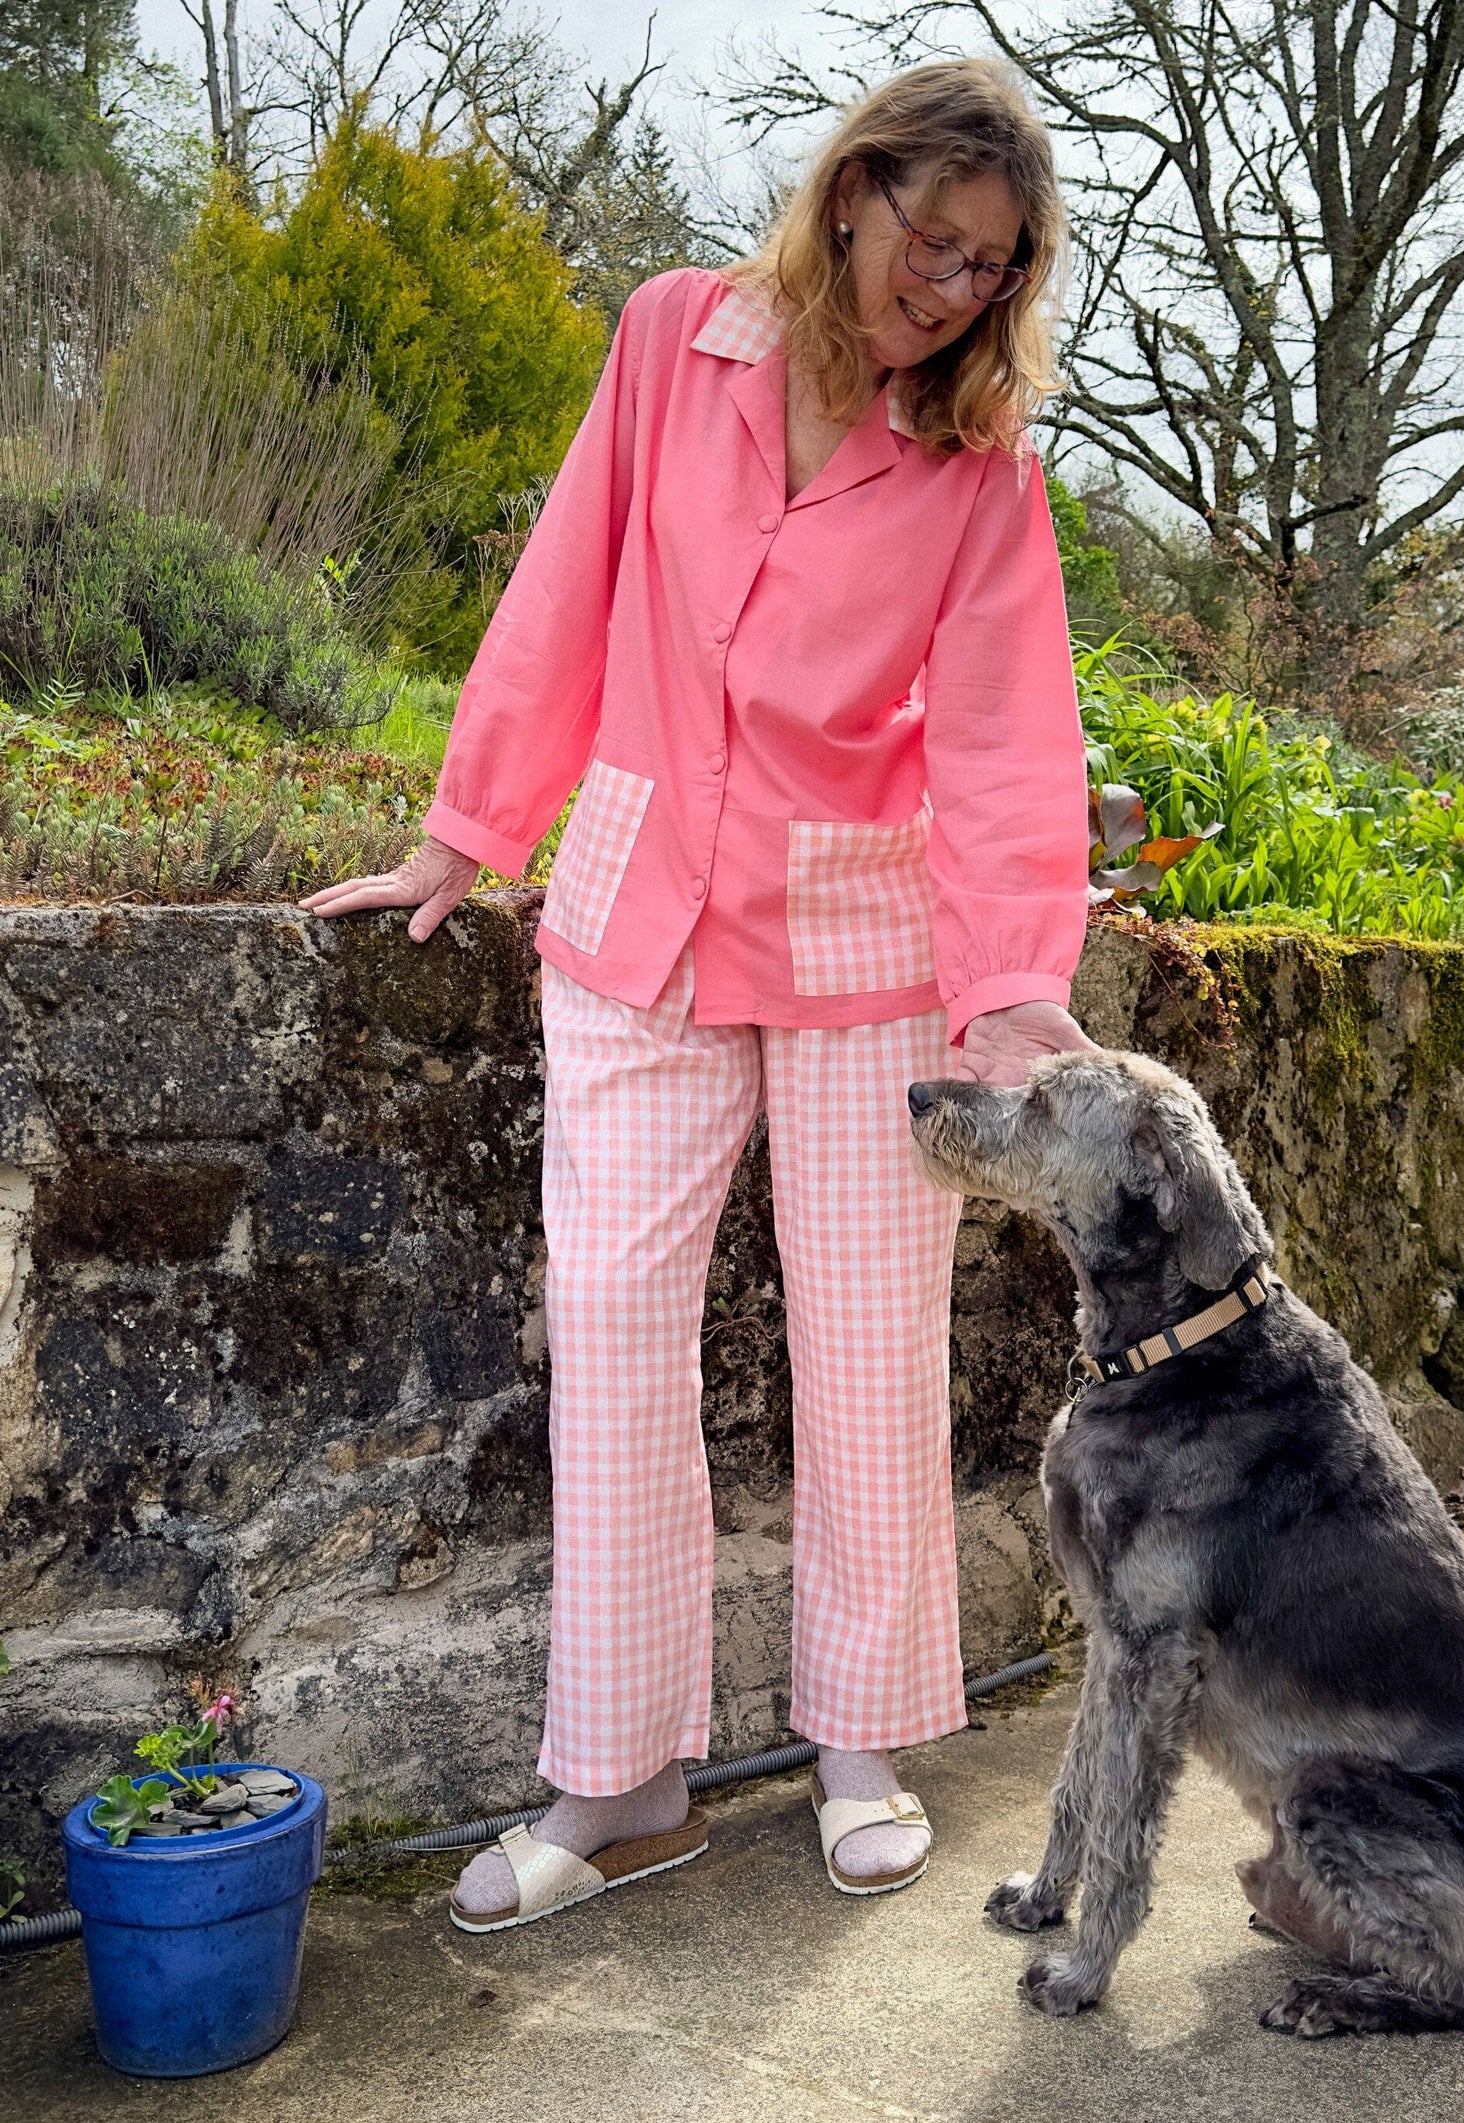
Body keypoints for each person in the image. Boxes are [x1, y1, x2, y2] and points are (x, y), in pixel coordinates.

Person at [302, 57, 1093, 1931]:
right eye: (934, 237)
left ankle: (864, 1741)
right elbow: (566, 585)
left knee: (870, 1345)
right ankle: (625, 1784)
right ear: (854, 192)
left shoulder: (980, 470)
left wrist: (1012, 987)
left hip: (857, 940)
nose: (951, 287)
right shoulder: (676, 339)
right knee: (614, 1337)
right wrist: (463, 836)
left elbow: (1000, 743)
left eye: (992, 267)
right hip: (639, 904)